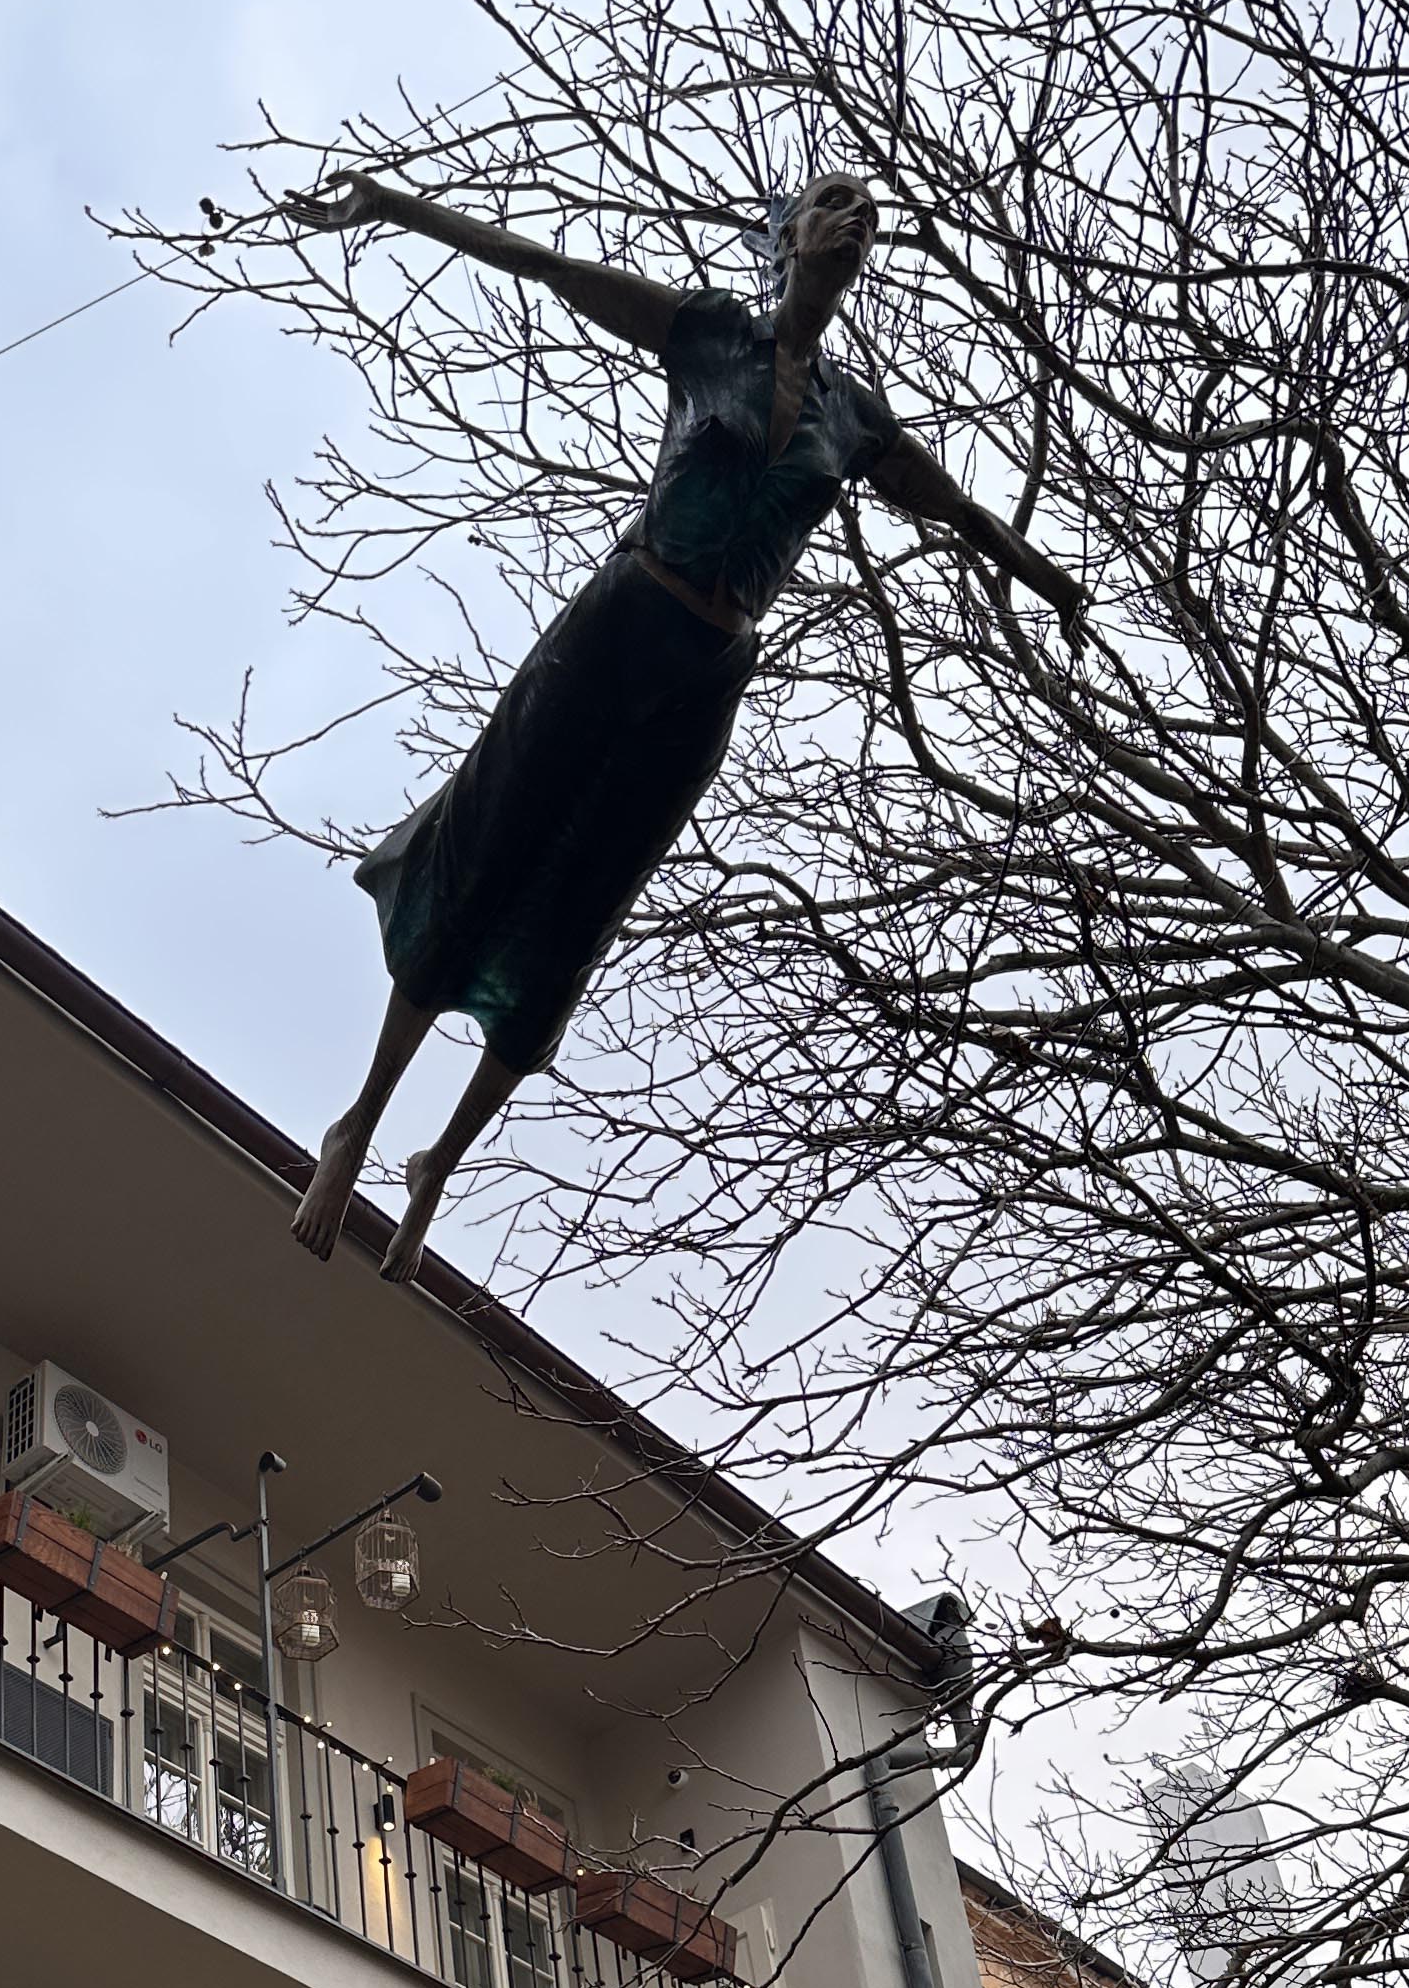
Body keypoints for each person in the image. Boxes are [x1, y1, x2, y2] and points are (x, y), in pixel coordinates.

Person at [280, 170, 1088, 1279]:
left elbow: (959, 509)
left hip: (706, 673)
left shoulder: (855, 418)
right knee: (492, 849)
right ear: (787, 233)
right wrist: (390, 205)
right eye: (837, 204)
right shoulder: (709, 335)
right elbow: (541, 262)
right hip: (618, 624)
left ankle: (439, 1166)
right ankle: (359, 1124)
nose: (856, 224)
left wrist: (1049, 581)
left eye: (871, 219)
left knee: (581, 914)